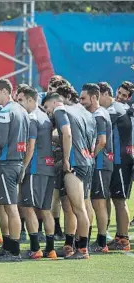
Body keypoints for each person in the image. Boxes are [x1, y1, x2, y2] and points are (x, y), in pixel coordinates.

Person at [42, 92, 93, 259]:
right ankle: (75, 247)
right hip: (86, 161)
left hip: (74, 164)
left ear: (55, 102)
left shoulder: (60, 110)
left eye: (47, 107)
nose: (48, 111)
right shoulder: (81, 112)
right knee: (78, 207)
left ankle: (82, 250)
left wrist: (65, 159)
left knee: (78, 208)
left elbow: (68, 133)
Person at [0, 79, 29, 262]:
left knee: (11, 208)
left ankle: (14, 252)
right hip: (16, 162)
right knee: (7, 206)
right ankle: (8, 247)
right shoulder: (23, 111)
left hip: (6, 163)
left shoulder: (4, 112)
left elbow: (0, 142)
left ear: (5, 91)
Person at [16, 85, 57, 259]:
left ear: (31, 99)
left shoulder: (32, 118)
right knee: (46, 209)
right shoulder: (46, 117)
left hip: (34, 168)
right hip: (48, 167)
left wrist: (23, 168)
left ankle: (35, 249)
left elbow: (30, 147)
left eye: (20, 100)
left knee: (27, 207)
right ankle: (51, 249)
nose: (19, 104)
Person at [98, 82, 132, 251]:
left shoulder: (114, 110)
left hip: (120, 161)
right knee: (110, 198)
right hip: (114, 161)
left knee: (119, 200)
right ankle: (117, 236)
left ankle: (123, 238)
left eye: (98, 97)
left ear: (105, 94)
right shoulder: (116, 108)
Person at [80, 83, 113, 253]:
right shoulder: (97, 114)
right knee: (94, 202)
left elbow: (102, 141)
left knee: (98, 203)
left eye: (84, 98)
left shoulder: (99, 115)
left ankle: (101, 242)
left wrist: (90, 156)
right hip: (99, 163)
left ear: (94, 97)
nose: (81, 101)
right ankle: (95, 240)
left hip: (100, 163)